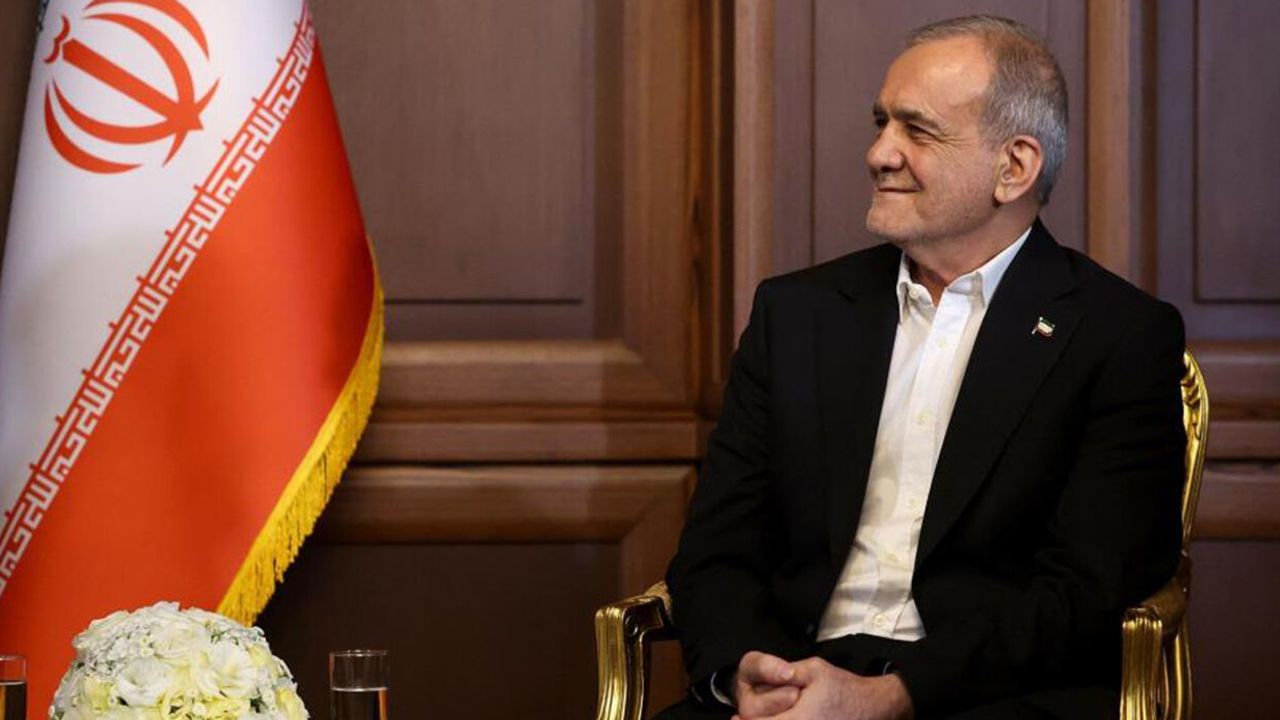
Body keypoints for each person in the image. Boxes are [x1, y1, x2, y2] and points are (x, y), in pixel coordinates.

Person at [657, 15, 1185, 720]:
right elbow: (717, 547)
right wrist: (744, 673)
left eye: (918, 130)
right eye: (882, 123)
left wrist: (891, 696)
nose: (879, 153)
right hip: (790, 686)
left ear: (1014, 168)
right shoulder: (797, 314)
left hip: (986, 696)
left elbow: (1085, 593)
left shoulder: (1118, 336)